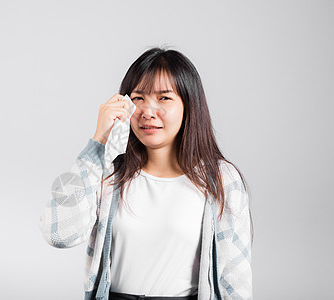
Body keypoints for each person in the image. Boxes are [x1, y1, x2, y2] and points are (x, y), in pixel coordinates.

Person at [39, 47, 253, 300]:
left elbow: (234, 280)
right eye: (138, 98)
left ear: (189, 106)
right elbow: (58, 234)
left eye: (164, 98)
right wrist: (98, 144)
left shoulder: (220, 179)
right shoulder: (108, 173)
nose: (147, 112)